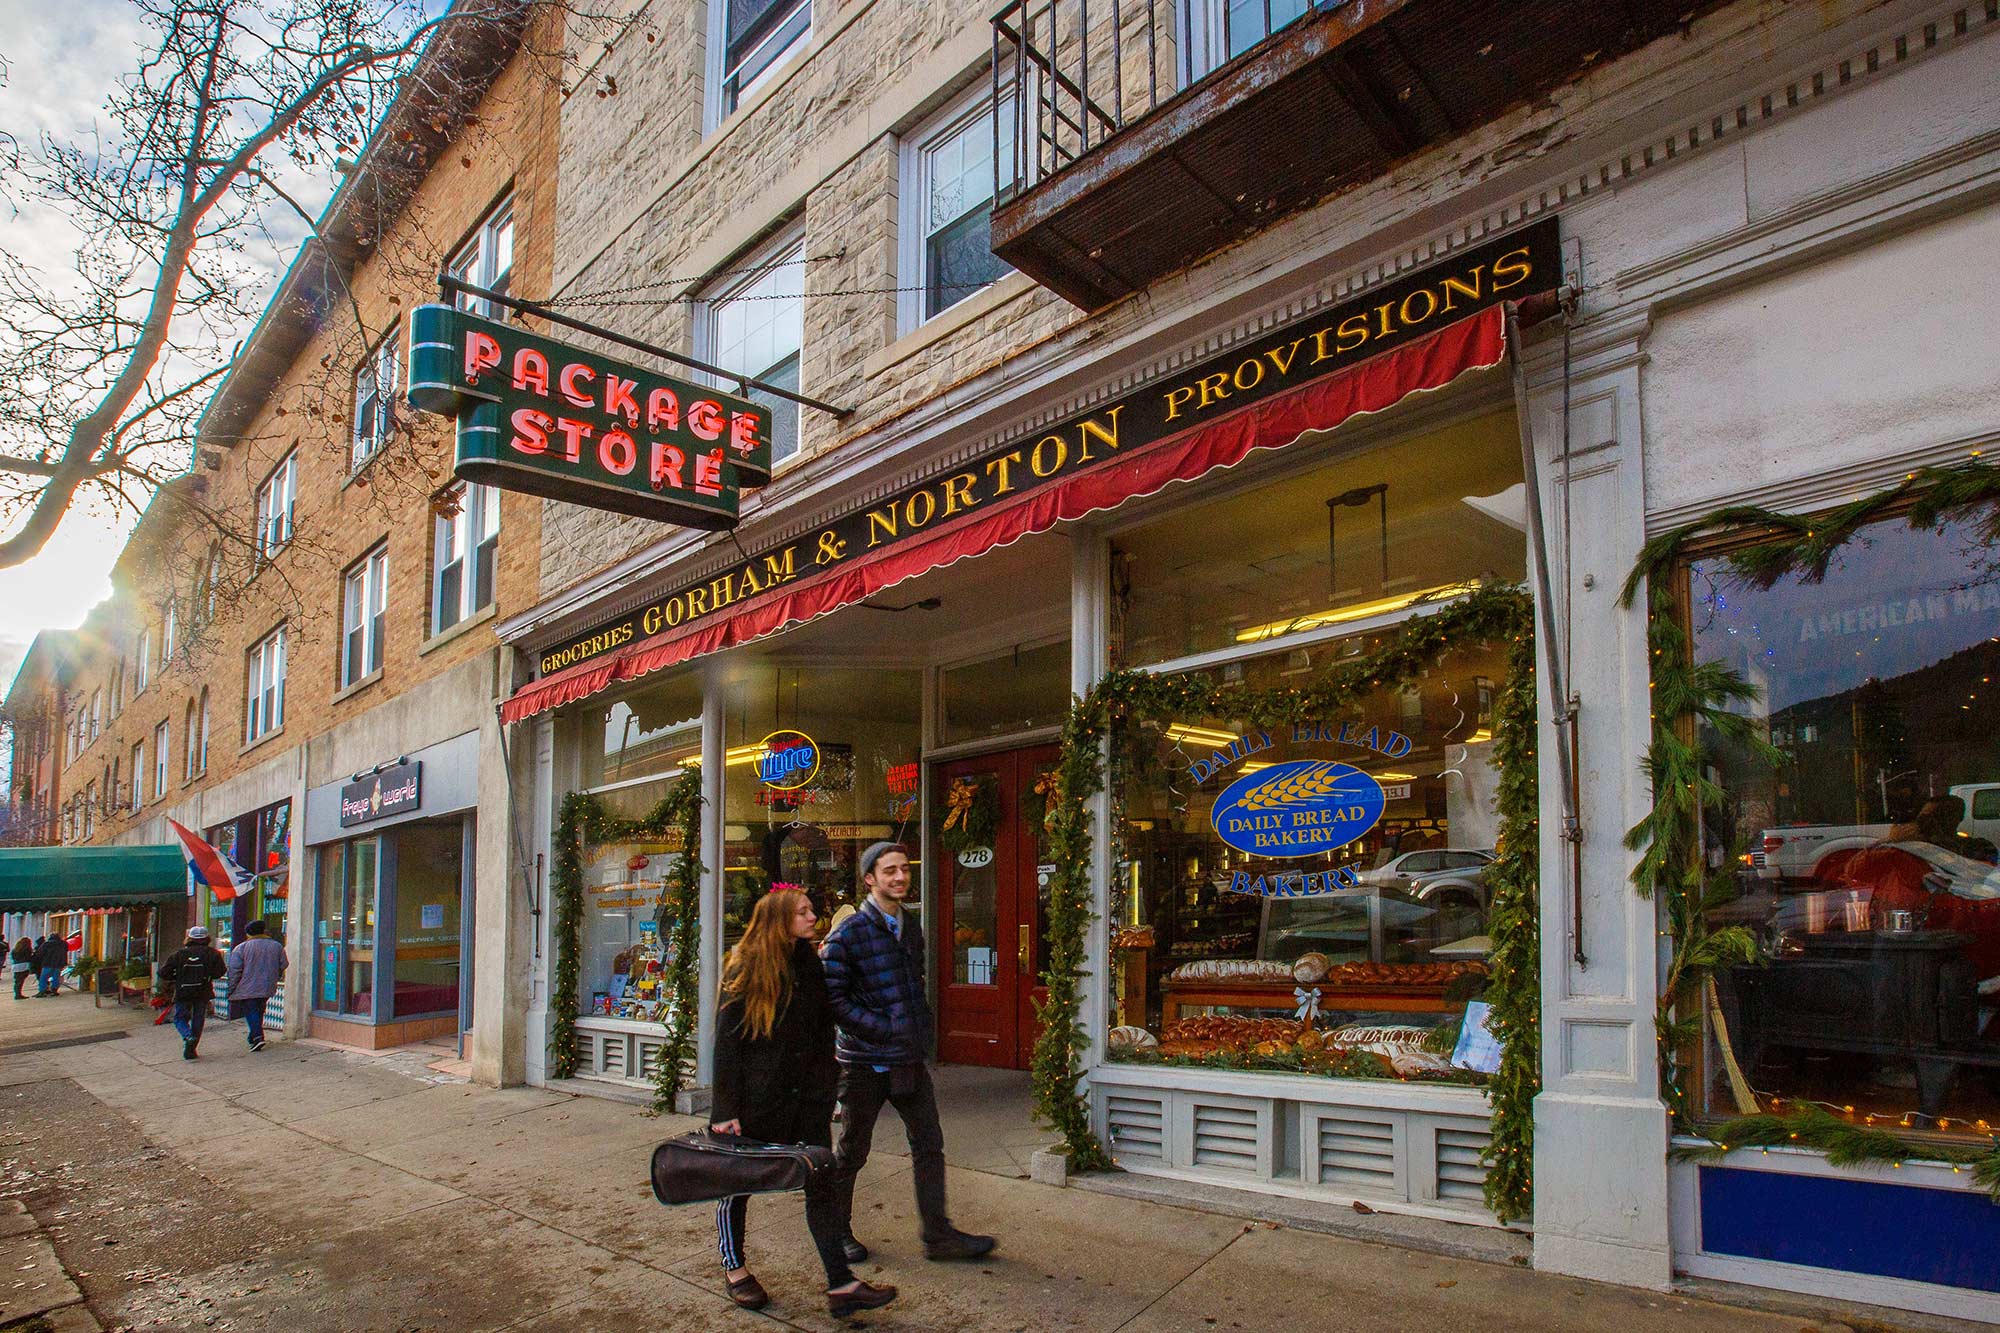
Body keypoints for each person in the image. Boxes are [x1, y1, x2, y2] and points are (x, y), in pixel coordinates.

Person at [709, 889, 896, 1319]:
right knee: (737, 1188)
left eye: (813, 910)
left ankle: (841, 1284)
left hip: (808, 1102)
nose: (814, 916)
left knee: (821, 1189)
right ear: (779, 920)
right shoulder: (746, 965)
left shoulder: (811, 961)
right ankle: (734, 1268)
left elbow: (827, 1019)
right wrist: (724, 1110)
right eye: (804, 912)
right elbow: (727, 1045)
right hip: (758, 1102)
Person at [822, 842, 996, 1264]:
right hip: (865, 1063)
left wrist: (920, 1026)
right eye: (889, 871)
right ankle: (836, 1232)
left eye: (904, 869)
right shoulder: (848, 934)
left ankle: (938, 1236)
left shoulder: (910, 924)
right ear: (869, 879)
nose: (900, 877)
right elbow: (834, 999)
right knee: (852, 1149)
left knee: (929, 1144)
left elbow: (912, 981)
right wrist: (884, 1029)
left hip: (908, 1059)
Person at [160, 926, 225, 1059]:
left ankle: (188, 1036)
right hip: (203, 991)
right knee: (198, 1019)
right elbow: (220, 971)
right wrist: (208, 976)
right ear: (207, 938)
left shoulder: (179, 954)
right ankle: (192, 1046)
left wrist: (177, 977)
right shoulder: (213, 953)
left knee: (179, 1018)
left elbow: (163, 973)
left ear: (190, 938)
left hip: (183, 991)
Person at [225, 919, 287, 1052]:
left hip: (247, 986)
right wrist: (276, 975)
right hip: (267, 985)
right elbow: (284, 964)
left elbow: (234, 970)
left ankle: (258, 1036)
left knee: (251, 1010)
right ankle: (253, 1036)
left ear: (248, 933)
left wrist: (231, 988)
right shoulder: (276, 946)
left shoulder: (242, 948)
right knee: (259, 1010)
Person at [10, 934, 33, 1000]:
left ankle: (17, 993)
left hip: (16, 965)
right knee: (21, 980)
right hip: (24, 965)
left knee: (17, 980)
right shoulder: (27, 949)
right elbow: (29, 957)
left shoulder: (15, 949)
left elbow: (13, 956)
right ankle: (18, 994)